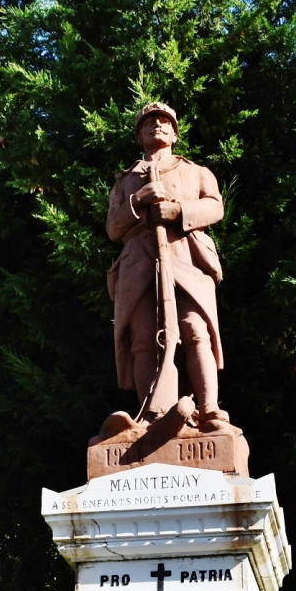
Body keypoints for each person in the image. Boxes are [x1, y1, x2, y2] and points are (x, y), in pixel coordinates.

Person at [106, 102, 230, 432]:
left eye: (164, 122)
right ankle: (152, 415)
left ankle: (209, 411)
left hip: (187, 257)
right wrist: (139, 199)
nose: (157, 125)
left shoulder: (196, 172)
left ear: (174, 133)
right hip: (138, 263)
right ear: (140, 135)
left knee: (194, 331)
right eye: (149, 123)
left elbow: (215, 207)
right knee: (144, 339)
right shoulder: (124, 182)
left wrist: (178, 212)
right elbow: (113, 229)